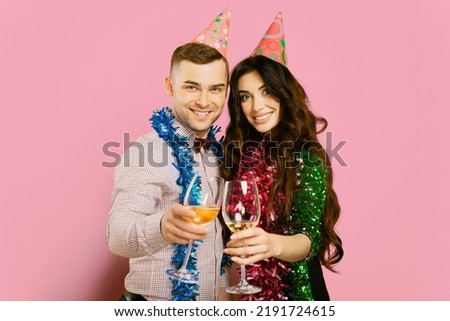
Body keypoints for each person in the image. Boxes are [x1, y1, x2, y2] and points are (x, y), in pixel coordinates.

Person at [106, 7, 232, 301]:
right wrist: (162, 226)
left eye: (215, 89)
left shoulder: (218, 153)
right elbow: (116, 234)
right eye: (191, 87)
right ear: (169, 85)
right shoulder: (147, 151)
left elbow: (214, 244)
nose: (204, 101)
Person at [221, 13, 344, 301]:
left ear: (283, 93)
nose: (257, 106)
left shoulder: (307, 156)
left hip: (297, 294)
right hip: (244, 294)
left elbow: (307, 241)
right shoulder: (237, 154)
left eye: (266, 92)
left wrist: (272, 245)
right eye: (245, 96)